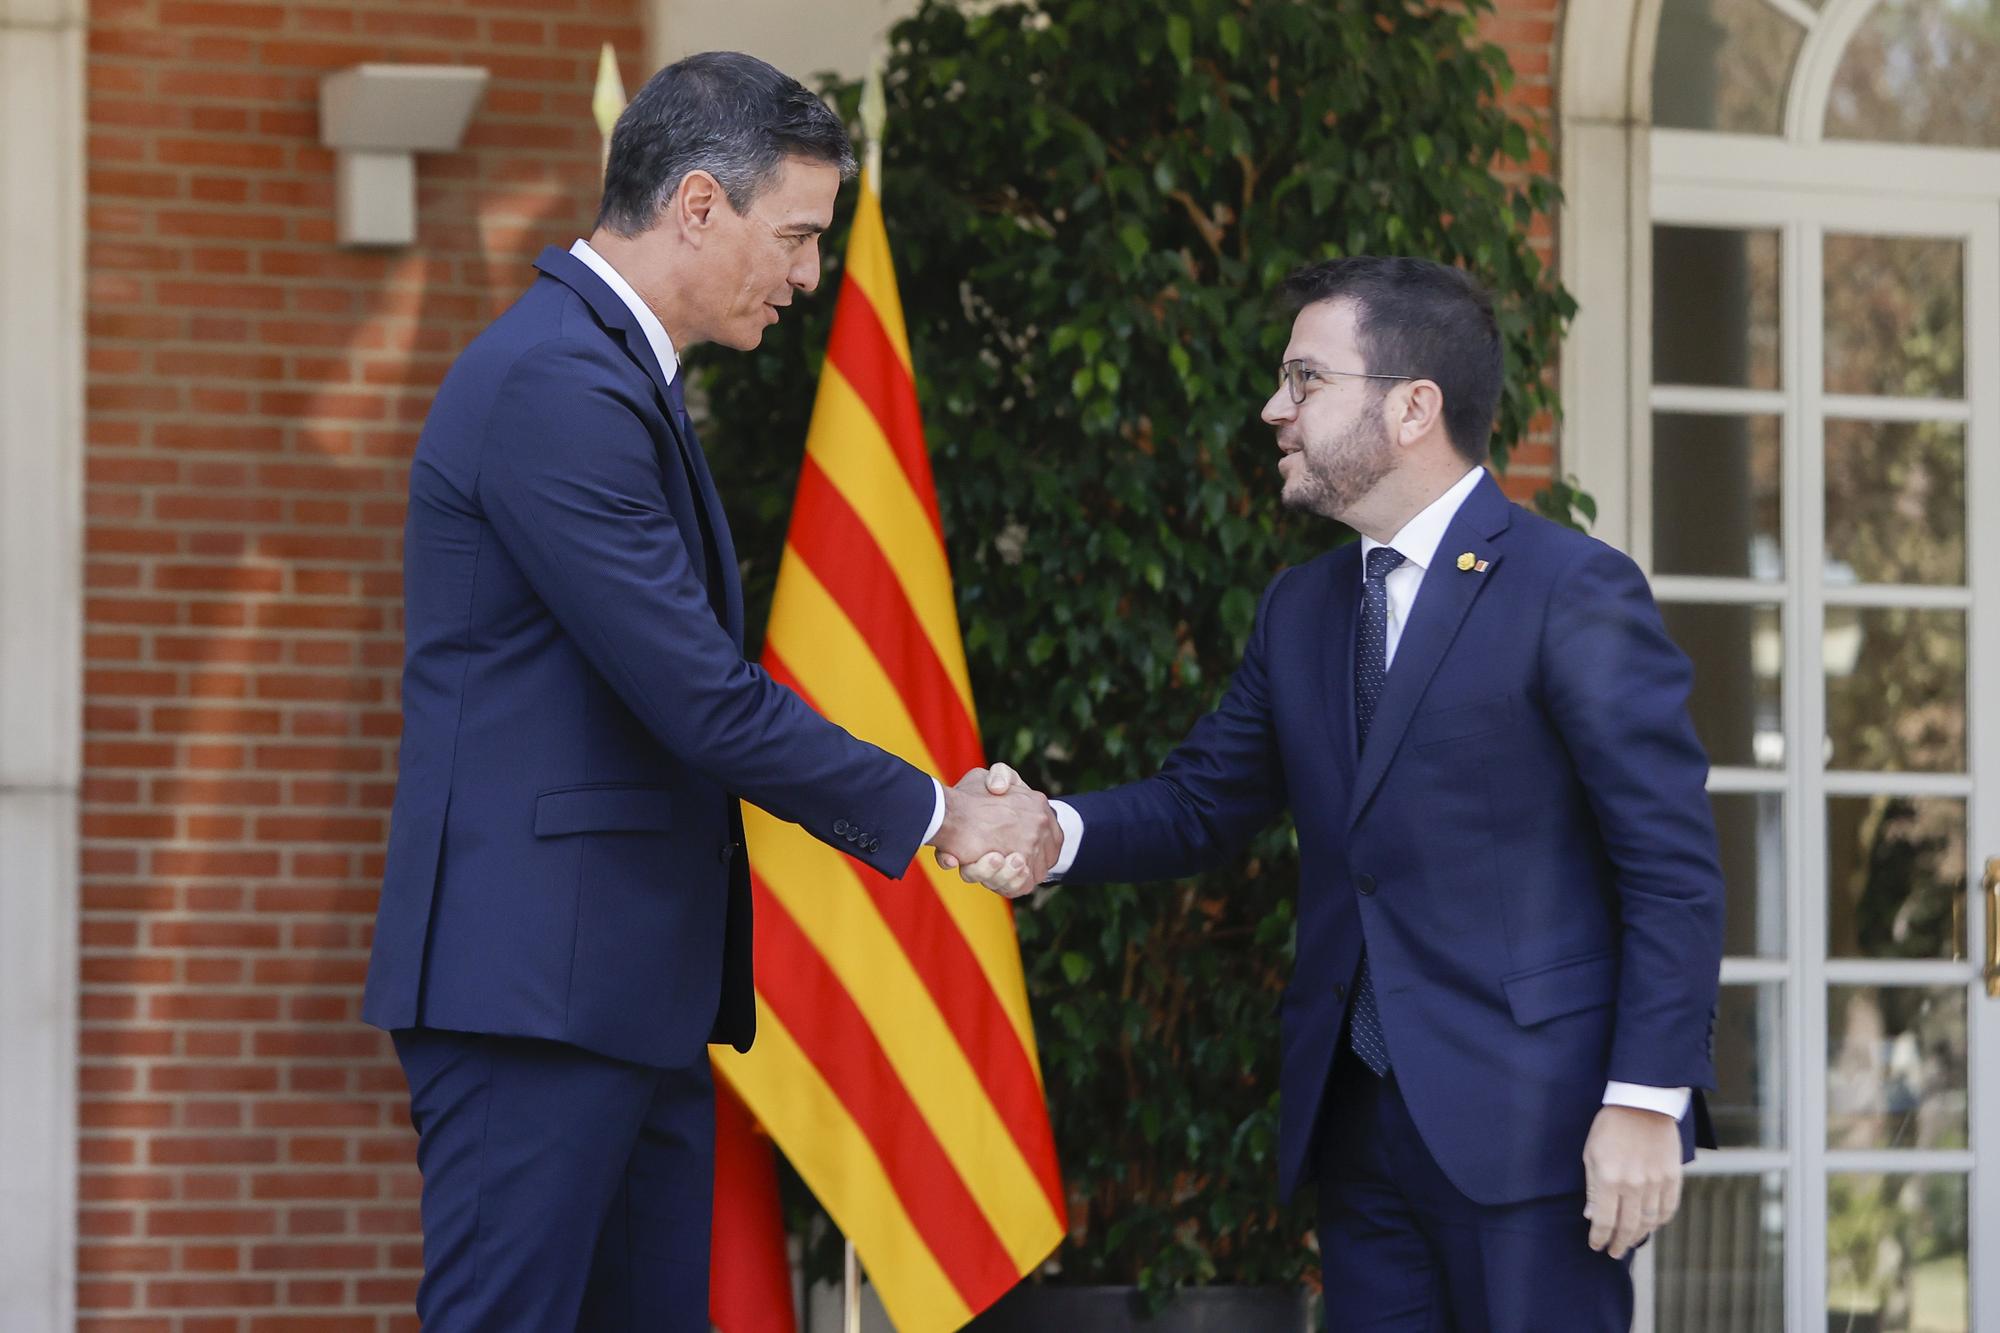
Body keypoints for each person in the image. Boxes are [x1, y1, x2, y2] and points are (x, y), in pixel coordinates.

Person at [360, 52, 1059, 1332]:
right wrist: (939, 815)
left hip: (619, 988)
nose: (806, 273)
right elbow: (701, 697)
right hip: (538, 996)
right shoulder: (557, 385)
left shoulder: (609, 376)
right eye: (794, 235)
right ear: (695, 205)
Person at [953, 257, 1724, 1331]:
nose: (1274, 408)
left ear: (1412, 407)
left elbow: (1670, 867)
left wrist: (1642, 1100)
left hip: (1534, 1134)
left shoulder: (1570, 590)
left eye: (1304, 380)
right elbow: (1200, 803)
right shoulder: (1300, 608)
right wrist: (1050, 829)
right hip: (1355, 1130)